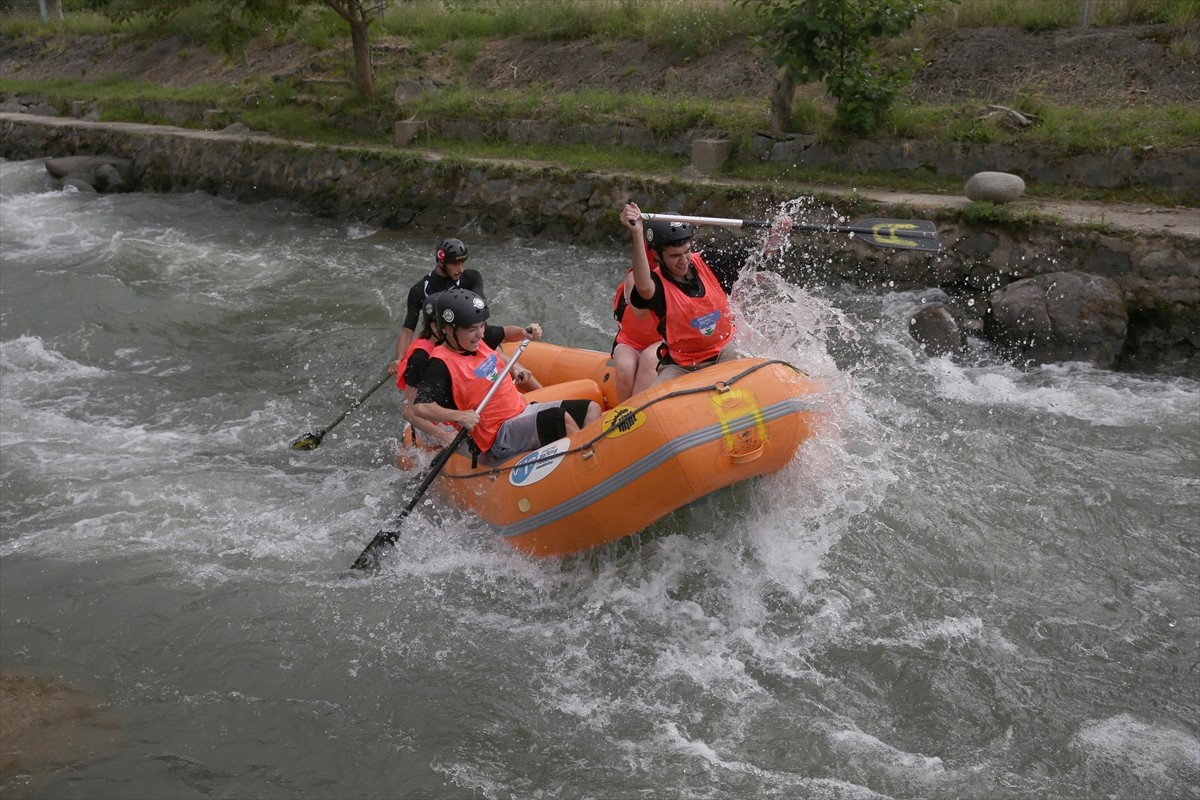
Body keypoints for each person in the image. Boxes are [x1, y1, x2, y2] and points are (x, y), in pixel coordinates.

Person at [412, 288, 601, 465]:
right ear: (447, 329)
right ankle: (587, 468)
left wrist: (520, 350)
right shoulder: (440, 364)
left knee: (591, 409)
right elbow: (421, 407)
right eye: (472, 330)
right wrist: (459, 415)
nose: (480, 334)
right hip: (498, 435)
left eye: (482, 326)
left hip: (521, 411)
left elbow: (501, 343)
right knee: (560, 419)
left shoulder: (475, 341)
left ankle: (581, 462)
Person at [619, 201, 791, 385]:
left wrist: (777, 235)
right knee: (656, 401)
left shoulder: (710, 262)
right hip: (681, 365)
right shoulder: (656, 283)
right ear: (657, 255)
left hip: (725, 351)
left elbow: (758, 255)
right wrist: (637, 233)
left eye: (687, 251)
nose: (684, 261)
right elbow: (643, 288)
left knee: (745, 368)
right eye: (675, 256)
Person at [397, 292, 544, 447]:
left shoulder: (469, 335)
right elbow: (409, 409)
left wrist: (516, 361)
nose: (480, 332)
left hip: (464, 406)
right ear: (438, 326)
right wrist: (442, 435)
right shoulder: (422, 358)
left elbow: (501, 338)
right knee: (451, 440)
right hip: (438, 416)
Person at [390, 237, 484, 374]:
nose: (461, 269)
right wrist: (400, 359)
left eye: (462, 263)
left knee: (492, 334)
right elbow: (407, 331)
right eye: (455, 264)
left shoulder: (471, 278)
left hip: (469, 335)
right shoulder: (419, 290)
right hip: (440, 341)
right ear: (441, 262)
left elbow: (480, 311)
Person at [611, 269, 661, 402]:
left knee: (650, 359)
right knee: (624, 369)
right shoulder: (633, 277)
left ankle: (633, 413)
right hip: (629, 341)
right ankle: (622, 412)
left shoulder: (672, 277)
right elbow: (639, 311)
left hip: (664, 340)